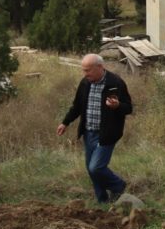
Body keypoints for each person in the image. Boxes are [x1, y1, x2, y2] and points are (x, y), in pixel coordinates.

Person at [56, 54, 132, 204]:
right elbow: (77, 106)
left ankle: (118, 185)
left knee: (96, 168)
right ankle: (102, 201)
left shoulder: (115, 83)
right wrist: (65, 122)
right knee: (92, 171)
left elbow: (128, 108)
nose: (85, 74)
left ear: (100, 67)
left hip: (107, 134)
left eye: (88, 70)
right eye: (83, 70)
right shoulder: (85, 83)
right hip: (88, 133)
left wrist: (117, 106)